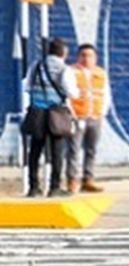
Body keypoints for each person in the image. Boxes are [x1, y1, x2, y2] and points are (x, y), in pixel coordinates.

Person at [21, 38, 79, 197]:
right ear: (63, 53)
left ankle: (34, 187)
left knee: (35, 150)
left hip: (37, 112)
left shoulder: (36, 66)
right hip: (56, 113)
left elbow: (26, 86)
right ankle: (54, 187)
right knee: (56, 152)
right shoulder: (65, 69)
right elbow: (72, 92)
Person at [66, 43, 109, 194]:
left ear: (95, 58)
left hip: (95, 116)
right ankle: (72, 180)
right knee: (74, 149)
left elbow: (105, 93)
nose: (86, 58)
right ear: (78, 57)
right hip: (77, 117)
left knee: (91, 150)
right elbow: (67, 96)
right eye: (83, 55)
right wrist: (72, 114)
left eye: (90, 55)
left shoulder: (101, 73)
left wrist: (102, 112)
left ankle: (88, 179)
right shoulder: (71, 72)